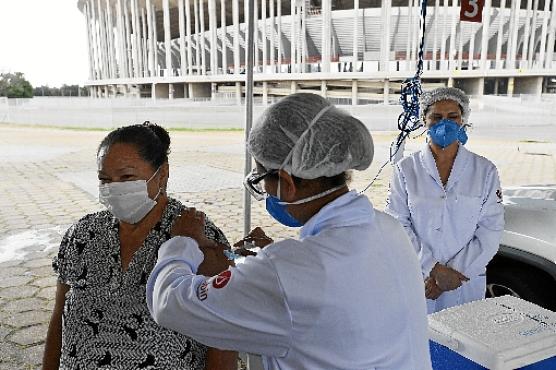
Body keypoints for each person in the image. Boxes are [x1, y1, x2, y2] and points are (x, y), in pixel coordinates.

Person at [147, 93, 432, 369]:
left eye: (262, 179)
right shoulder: (389, 228)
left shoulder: (288, 270)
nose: (265, 192)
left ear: (286, 182)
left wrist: (180, 242)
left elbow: (170, 304)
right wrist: (274, 259)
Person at [42, 123, 237, 370]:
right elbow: (59, 316)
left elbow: (223, 334)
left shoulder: (198, 235)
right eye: (105, 179)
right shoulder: (82, 234)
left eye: (127, 177)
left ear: (162, 174)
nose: (114, 188)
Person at [385, 87, 505, 314]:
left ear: (463, 121)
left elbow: (491, 228)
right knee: (419, 340)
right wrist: (433, 269)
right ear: (424, 121)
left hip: (463, 280)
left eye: (452, 117)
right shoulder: (406, 169)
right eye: (437, 117)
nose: (445, 123)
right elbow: (397, 223)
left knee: (464, 341)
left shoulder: (484, 170)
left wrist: (454, 272)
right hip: (419, 278)